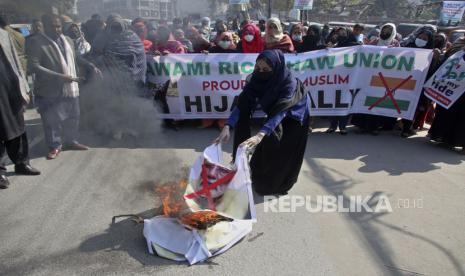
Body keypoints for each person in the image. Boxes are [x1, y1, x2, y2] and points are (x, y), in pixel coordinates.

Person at [215, 49, 310, 196]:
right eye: (258, 68)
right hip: (276, 111)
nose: (261, 72)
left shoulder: (288, 83)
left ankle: (280, 183)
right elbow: (242, 104)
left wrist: (261, 134)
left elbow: (281, 111)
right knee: (267, 144)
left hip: (294, 115)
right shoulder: (255, 79)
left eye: (266, 69)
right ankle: (257, 173)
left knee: (283, 149)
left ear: (276, 68)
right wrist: (228, 126)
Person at [27, 14, 100, 159]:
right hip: (49, 89)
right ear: (44, 27)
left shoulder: (68, 40)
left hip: (71, 88)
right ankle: (54, 146)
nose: (56, 29)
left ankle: (70, 141)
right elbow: (34, 66)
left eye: (58, 26)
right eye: (52, 26)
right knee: (52, 119)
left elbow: (75, 57)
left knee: (73, 116)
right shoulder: (37, 42)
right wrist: (61, 77)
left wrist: (91, 65)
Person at [88, 14, 147, 139]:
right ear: (108, 25)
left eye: (118, 25)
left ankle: (130, 127)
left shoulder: (131, 36)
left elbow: (140, 55)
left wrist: (135, 72)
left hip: (130, 77)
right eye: (113, 26)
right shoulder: (101, 37)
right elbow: (94, 55)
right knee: (114, 104)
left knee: (130, 103)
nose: (115, 28)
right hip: (110, 78)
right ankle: (116, 128)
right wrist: (107, 60)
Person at [0, 27, 41, 189]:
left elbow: (15, 62)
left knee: (17, 126)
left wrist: (23, 86)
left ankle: (22, 162)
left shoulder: (4, 34)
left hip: (10, 87)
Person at [352, 23, 401, 135]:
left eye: (388, 30)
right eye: (384, 29)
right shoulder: (375, 41)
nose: (385, 32)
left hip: (384, 79)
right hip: (370, 76)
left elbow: (398, 59)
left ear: (393, 32)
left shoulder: (395, 43)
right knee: (366, 100)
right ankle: (362, 126)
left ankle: (375, 127)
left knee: (378, 102)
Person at [401, 27, 439, 137]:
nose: (421, 39)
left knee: (413, 106)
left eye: (425, 38)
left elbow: (432, 71)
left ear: (429, 40)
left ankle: (406, 128)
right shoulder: (408, 48)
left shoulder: (431, 53)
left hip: (418, 85)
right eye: (420, 37)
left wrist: (436, 58)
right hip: (403, 82)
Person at [429, 45, 465, 153]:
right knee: (448, 114)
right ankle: (444, 138)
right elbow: (445, 67)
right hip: (453, 91)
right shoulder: (458, 54)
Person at [326, 27, 360, 135]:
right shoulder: (335, 46)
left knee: (345, 102)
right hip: (335, 79)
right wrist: (331, 42)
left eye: (343, 32)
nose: (341, 34)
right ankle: (332, 126)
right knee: (334, 102)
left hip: (349, 79)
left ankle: (342, 126)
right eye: (339, 33)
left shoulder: (355, 45)